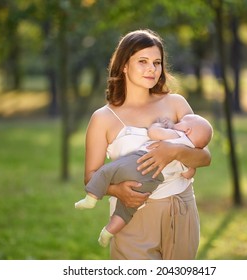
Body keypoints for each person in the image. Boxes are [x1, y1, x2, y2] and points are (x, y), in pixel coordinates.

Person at [83, 29, 211, 260]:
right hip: (132, 216)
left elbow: (205, 157)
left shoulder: (175, 103)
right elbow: (90, 176)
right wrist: (117, 190)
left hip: (180, 208)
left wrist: (173, 151)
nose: (151, 68)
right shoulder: (103, 118)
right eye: (142, 61)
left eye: (157, 62)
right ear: (124, 65)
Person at [75, 114, 213, 247]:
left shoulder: (176, 135)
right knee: (127, 210)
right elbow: (188, 174)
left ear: (187, 130)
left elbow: (153, 133)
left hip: (140, 163)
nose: (177, 123)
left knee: (106, 171)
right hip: (151, 182)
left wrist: (158, 125)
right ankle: (108, 231)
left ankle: (91, 199)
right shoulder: (188, 154)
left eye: (181, 122)